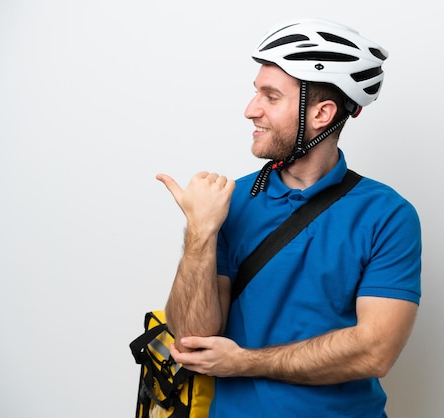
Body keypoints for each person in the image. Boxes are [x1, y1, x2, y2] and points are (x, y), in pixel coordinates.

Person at [156, 18, 422, 418]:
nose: (250, 110)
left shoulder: (387, 215)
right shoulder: (232, 200)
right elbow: (193, 338)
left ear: (321, 114)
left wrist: (243, 361)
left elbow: (375, 352)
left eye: (271, 97)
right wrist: (201, 231)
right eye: (255, 94)